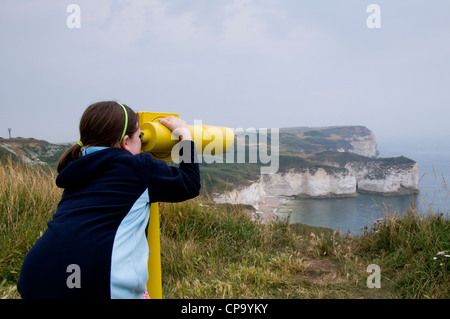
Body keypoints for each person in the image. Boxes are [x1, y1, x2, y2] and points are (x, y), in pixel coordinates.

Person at [17, 101, 200, 299]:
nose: (141, 142)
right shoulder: (137, 168)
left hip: (39, 274)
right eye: (140, 136)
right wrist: (185, 136)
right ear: (125, 142)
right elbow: (189, 183)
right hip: (93, 278)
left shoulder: (78, 167)